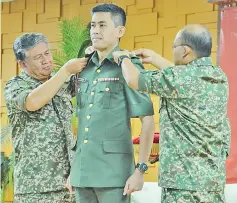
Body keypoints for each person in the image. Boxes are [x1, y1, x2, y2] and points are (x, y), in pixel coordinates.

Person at [113, 24, 231, 203]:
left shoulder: (179, 79)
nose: (172, 50)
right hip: (211, 183)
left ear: (184, 50)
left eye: (174, 46)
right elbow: (183, 81)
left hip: (184, 186)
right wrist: (155, 58)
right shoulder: (218, 76)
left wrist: (122, 58)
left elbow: (134, 79)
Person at [69, 3, 155, 203]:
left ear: (119, 31)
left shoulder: (128, 67)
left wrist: (140, 170)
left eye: (102, 25)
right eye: (92, 26)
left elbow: (148, 120)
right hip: (83, 174)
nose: (95, 31)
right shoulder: (83, 68)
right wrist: (73, 171)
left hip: (114, 175)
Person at [4, 33, 88, 203]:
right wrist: (65, 70)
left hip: (69, 185)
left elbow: (88, 79)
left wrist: (91, 54)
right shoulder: (15, 85)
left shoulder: (62, 82)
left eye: (47, 53)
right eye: (38, 57)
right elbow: (33, 102)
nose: (46, 60)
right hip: (35, 189)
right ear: (22, 64)